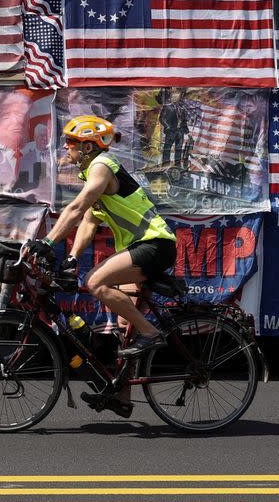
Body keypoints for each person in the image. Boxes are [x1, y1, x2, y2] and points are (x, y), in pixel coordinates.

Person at [26, 115, 178, 416]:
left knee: (95, 282)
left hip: (155, 244)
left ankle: (152, 335)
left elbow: (77, 206)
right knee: (125, 328)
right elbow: (90, 219)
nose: (66, 147)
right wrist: (71, 256)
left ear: (88, 146)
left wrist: (47, 242)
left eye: (71, 142)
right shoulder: (93, 173)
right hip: (141, 247)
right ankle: (122, 398)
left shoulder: (102, 166)